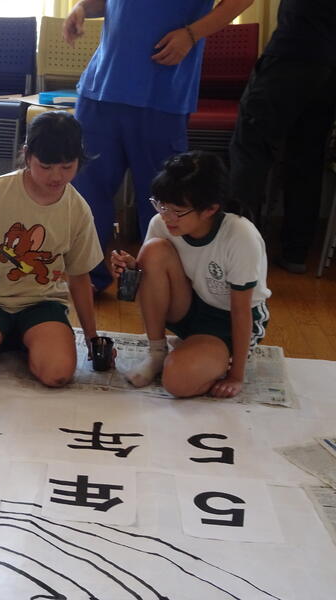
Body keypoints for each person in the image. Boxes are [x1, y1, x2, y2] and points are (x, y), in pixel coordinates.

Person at [63, 0, 253, 292]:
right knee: (86, 193)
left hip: (161, 96)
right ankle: (87, 280)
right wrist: (81, 9)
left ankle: (160, 287)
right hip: (101, 89)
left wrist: (191, 34)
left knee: (162, 203)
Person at [0, 111, 104, 388]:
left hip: (42, 303)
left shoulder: (77, 208)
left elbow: (80, 276)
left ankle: (21, 340)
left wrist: (92, 338)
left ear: (79, 160)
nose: (56, 176)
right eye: (46, 166)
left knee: (57, 373)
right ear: (27, 155)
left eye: (67, 167)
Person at [111, 151, 270, 398]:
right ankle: (157, 352)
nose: (166, 216)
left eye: (177, 210)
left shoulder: (240, 235)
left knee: (177, 382)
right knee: (153, 250)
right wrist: (132, 268)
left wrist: (236, 375)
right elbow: (151, 277)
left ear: (210, 209)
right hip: (191, 304)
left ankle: (205, 351)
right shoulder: (161, 222)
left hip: (228, 320)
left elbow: (241, 311)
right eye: (161, 205)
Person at [229, 0, 336, 274]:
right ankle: (295, 252)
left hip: (292, 52)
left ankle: (235, 251)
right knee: (307, 157)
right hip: (328, 64)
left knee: (250, 150)